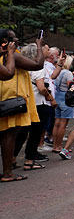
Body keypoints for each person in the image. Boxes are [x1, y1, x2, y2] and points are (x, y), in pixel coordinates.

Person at [0, 31, 44, 182]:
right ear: (6, 40)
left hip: (4, 97)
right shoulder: (12, 55)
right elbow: (38, 65)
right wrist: (39, 46)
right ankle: (7, 173)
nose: (18, 38)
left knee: (7, 135)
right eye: (13, 36)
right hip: (12, 99)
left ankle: (7, 169)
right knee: (10, 135)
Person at [13, 43, 55, 168]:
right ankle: (29, 160)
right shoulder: (38, 67)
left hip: (25, 102)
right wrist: (50, 98)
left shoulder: (21, 67)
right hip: (38, 103)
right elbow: (41, 87)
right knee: (35, 133)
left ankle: (12, 158)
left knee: (22, 133)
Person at [51, 54, 74, 153]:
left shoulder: (57, 72)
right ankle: (59, 145)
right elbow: (71, 86)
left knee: (56, 122)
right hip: (66, 98)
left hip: (57, 97)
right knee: (63, 124)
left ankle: (54, 145)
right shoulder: (68, 73)